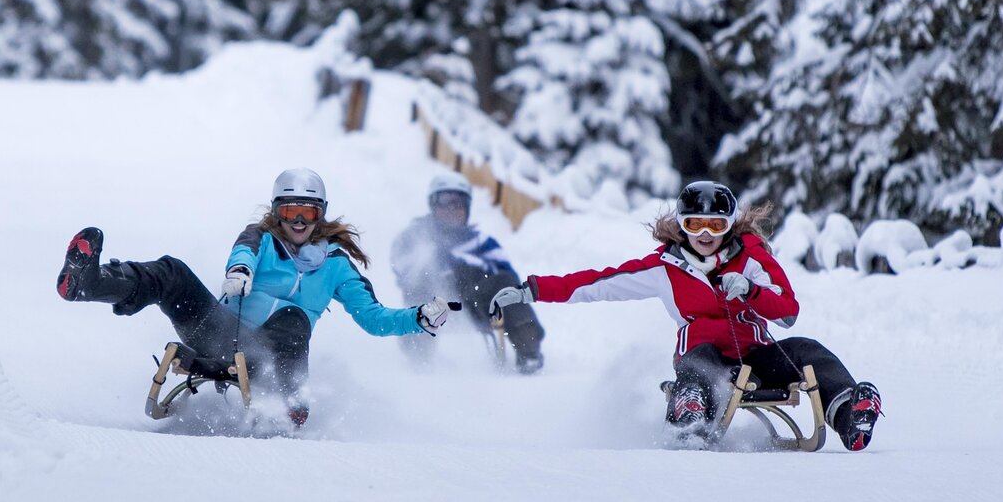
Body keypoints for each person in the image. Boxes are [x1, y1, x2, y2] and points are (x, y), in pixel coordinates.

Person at [488, 181, 883, 451]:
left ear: (729, 225)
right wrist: (532, 289)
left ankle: (850, 413)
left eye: (716, 224)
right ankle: (690, 410)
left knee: (807, 349)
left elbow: (788, 312)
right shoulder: (665, 268)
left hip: (758, 356)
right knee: (699, 361)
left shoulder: (750, 257)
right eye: (696, 224)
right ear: (682, 225)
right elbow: (599, 282)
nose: (706, 233)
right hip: (707, 355)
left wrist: (751, 290)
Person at [57, 168, 451, 426]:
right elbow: (243, 251)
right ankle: (91, 283)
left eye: (308, 214)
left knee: (294, 317)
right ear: (277, 212)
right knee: (172, 271)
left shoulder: (337, 265)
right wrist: (239, 272)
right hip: (222, 332)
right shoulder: (262, 238)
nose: (298, 222)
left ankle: (290, 400)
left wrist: (417, 317)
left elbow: (373, 317)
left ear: (321, 216)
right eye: (291, 211)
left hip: (274, 360)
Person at [390, 172, 545, 374]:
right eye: (445, 201)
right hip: (433, 300)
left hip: (476, 302)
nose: (452, 209)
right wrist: (436, 266)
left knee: (506, 284)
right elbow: (403, 270)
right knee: (424, 277)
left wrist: (467, 268)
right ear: (433, 204)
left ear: (468, 207)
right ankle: (418, 361)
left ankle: (529, 351)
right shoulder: (416, 236)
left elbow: (507, 274)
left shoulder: (482, 243)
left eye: (458, 203)